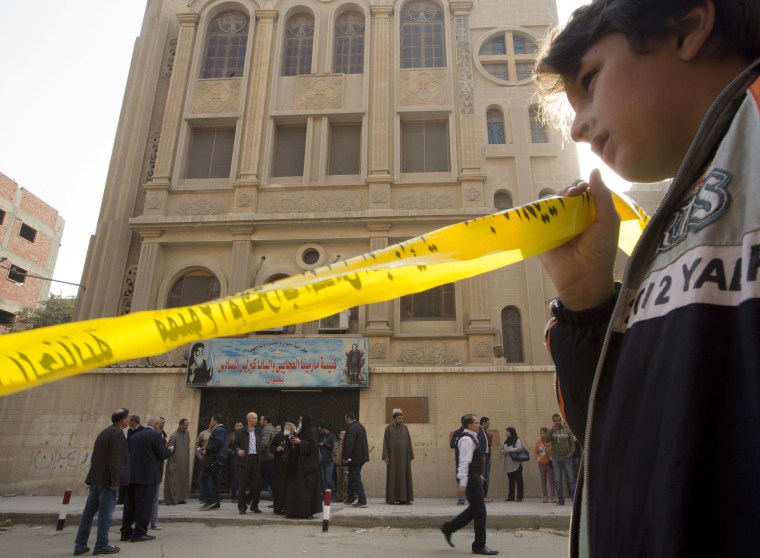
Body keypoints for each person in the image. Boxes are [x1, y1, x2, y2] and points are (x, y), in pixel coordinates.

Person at [536, 1, 760, 555]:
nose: (581, 127)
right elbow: (632, 442)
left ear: (686, 27)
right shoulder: (690, 207)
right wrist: (588, 302)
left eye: (590, 81)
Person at [73, 408, 130, 556]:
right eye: (126, 418)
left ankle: (80, 545)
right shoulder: (117, 434)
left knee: (88, 513)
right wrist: (115, 480)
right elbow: (114, 459)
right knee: (105, 513)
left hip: (97, 479)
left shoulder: (105, 432)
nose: (128, 420)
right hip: (107, 480)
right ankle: (101, 544)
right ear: (122, 419)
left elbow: (95, 457)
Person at [440, 414, 498, 556]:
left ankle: (448, 528)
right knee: (480, 512)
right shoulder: (466, 439)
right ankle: (479, 545)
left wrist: (478, 474)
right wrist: (463, 484)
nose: (479, 425)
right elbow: (463, 462)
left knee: (474, 510)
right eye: (476, 422)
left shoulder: (471, 437)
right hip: (470, 479)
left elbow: (471, 461)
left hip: (473, 477)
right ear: (469, 425)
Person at [120, 416, 173, 543]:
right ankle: (139, 533)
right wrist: (170, 450)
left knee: (130, 506)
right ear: (155, 424)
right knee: (144, 506)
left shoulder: (134, 437)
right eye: (160, 425)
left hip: (132, 477)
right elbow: (162, 454)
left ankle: (126, 532)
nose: (160, 428)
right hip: (147, 477)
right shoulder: (155, 436)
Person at [284, 413, 323, 519]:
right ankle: (293, 511)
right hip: (297, 465)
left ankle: (307, 512)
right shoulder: (300, 431)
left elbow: (313, 446)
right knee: (294, 489)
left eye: (301, 420)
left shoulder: (312, 431)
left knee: (306, 490)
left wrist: (301, 442)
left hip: (307, 466)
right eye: (299, 419)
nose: (299, 421)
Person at [232, 412, 263, 515]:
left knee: (257, 484)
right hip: (244, 460)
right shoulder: (241, 431)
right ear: (249, 419)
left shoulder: (258, 430)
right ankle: (242, 507)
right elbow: (235, 445)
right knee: (242, 485)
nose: (256, 420)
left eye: (257, 418)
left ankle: (254, 506)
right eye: (254, 418)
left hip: (256, 459)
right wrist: (238, 451)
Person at [382, 409, 414, 504]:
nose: (401, 420)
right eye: (399, 418)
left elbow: (409, 441)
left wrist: (410, 455)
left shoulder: (405, 428)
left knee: (405, 476)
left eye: (402, 418)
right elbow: (385, 443)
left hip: (404, 458)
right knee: (393, 476)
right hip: (393, 458)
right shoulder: (388, 428)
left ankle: (404, 499)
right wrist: (386, 456)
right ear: (394, 419)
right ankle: (391, 499)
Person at [543, 414, 576, 506]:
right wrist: (550, 430)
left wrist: (570, 454)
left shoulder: (567, 431)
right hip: (556, 458)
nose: (557, 422)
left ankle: (574, 499)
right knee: (557, 479)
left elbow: (572, 444)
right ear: (553, 421)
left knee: (571, 479)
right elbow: (546, 439)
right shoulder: (552, 431)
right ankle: (560, 500)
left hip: (567, 458)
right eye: (555, 421)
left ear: (561, 420)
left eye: (558, 420)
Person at [198, 414, 226, 510]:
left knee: (204, 477)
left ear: (215, 421)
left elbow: (218, 442)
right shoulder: (220, 430)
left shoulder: (219, 430)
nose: (210, 422)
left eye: (212, 420)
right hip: (218, 458)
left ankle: (209, 500)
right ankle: (216, 502)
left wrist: (207, 450)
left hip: (215, 459)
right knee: (215, 481)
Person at [342, 411, 369, 507]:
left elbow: (350, 444)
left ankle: (362, 500)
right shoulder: (360, 427)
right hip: (361, 457)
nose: (345, 422)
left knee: (356, 478)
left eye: (346, 420)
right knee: (352, 477)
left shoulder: (352, 428)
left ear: (349, 418)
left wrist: (346, 458)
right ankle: (351, 497)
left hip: (354, 458)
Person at [271, 418, 296, 515]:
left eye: (289, 425)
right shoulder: (279, 436)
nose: (287, 427)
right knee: (278, 486)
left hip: (290, 466)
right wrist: (276, 448)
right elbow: (271, 446)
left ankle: (287, 508)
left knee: (288, 487)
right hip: (279, 465)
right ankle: (277, 508)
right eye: (286, 425)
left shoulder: (294, 437)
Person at [164, 418, 191, 505]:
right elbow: (170, 449)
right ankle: (171, 500)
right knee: (173, 481)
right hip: (174, 462)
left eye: (187, 425)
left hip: (183, 462)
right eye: (185, 425)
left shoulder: (187, 433)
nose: (187, 427)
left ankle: (181, 498)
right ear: (180, 424)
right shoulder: (174, 435)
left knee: (182, 480)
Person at [499, 427, 525, 503]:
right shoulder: (506, 441)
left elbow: (519, 448)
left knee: (519, 480)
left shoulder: (517, 439)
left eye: (508, 431)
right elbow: (502, 448)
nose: (506, 433)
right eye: (506, 431)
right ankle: (511, 496)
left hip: (516, 463)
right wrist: (502, 451)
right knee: (511, 481)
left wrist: (509, 450)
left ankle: (520, 496)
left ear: (512, 432)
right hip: (508, 464)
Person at [534, 427, 555, 504]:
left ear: (546, 433)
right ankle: (545, 496)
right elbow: (536, 452)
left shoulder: (551, 441)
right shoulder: (538, 442)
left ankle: (553, 496)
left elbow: (554, 450)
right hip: (541, 463)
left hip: (549, 463)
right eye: (540, 433)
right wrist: (538, 458)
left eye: (542, 433)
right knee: (543, 479)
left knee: (551, 479)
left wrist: (552, 458)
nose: (541, 434)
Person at [259, 415, 277, 500]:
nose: (260, 422)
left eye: (261, 420)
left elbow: (264, 444)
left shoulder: (266, 429)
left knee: (270, 480)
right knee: (270, 479)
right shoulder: (273, 428)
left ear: (265, 421)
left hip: (267, 457)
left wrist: (258, 451)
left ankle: (277, 500)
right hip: (271, 457)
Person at [449, 421, 467, 505]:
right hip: (460, 459)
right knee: (460, 478)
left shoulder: (472, 433)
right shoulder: (457, 433)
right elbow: (452, 444)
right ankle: (461, 500)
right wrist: (459, 443)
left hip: (470, 460)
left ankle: (471, 498)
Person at [318, 423, 337, 494]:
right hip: (322, 460)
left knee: (329, 478)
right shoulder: (322, 437)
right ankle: (325, 493)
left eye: (320, 430)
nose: (320, 432)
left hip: (329, 460)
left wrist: (324, 444)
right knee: (323, 478)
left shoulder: (332, 436)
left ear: (324, 428)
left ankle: (334, 493)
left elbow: (333, 446)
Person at [227, 420, 243, 501]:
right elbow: (226, 447)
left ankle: (241, 495)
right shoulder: (231, 435)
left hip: (244, 458)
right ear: (234, 427)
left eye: (240, 426)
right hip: (234, 459)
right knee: (235, 477)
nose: (239, 427)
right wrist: (232, 451)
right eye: (237, 426)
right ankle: (234, 496)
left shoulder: (245, 435)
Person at [478, 417, 492, 502]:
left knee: (486, 476)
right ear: (483, 423)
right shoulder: (479, 431)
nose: (489, 425)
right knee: (482, 476)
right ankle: (481, 495)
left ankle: (484, 495)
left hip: (487, 456)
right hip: (482, 456)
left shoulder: (485, 432)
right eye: (488, 423)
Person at [333, 429, 347, 501]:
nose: (343, 435)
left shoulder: (347, 443)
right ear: (339, 435)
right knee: (339, 481)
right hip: (338, 465)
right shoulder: (336, 443)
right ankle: (339, 496)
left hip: (345, 465)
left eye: (344, 433)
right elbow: (333, 454)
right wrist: (335, 461)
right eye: (342, 433)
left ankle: (345, 496)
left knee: (345, 481)